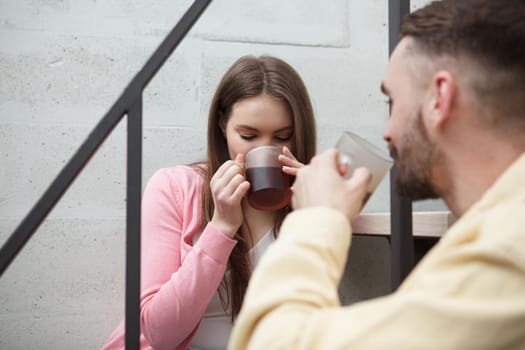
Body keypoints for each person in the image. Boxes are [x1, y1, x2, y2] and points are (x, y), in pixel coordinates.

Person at [228, 1, 525, 349]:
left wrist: (317, 217)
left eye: (392, 103)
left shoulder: (507, 249)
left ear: (439, 98)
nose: (387, 131)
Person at [100, 55, 317, 350]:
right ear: (222, 127)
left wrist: (319, 216)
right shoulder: (174, 188)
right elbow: (159, 334)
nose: (265, 150)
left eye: (283, 137)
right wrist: (222, 226)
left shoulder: (307, 199)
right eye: (248, 135)